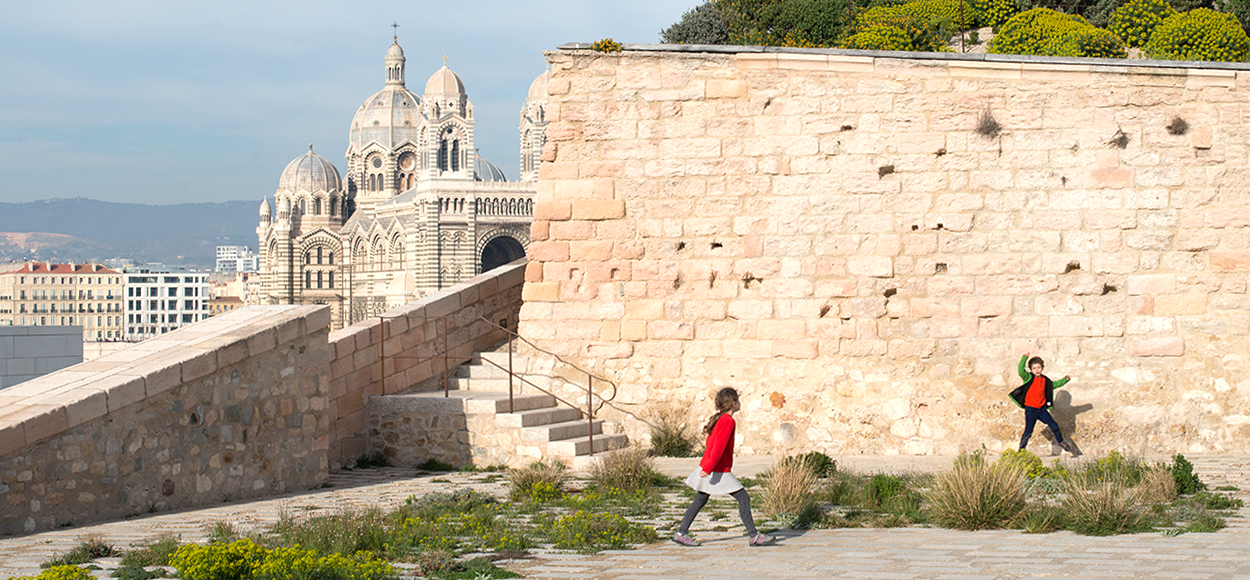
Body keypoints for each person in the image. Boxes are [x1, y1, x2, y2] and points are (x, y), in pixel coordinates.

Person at [674, 387, 776, 547]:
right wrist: (708, 468)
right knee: (744, 498)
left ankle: (681, 533)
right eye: (738, 401)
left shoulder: (720, 419)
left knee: (700, 500)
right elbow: (718, 446)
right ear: (734, 404)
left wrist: (707, 466)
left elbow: (711, 444)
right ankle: (754, 535)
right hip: (718, 470)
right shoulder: (728, 421)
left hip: (712, 467)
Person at [1009, 353, 1076, 455]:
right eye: (1034, 368)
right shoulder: (1028, 377)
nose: (1037, 370)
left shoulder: (1045, 381)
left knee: (1054, 425)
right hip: (1031, 409)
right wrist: (1024, 357)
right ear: (1031, 369)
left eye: (1039, 367)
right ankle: (1021, 450)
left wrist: (1064, 380)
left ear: (1042, 368)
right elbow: (1020, 370)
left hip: (1041, 410)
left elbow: (1054, 384)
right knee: (1028, 431)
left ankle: (1060, 441)